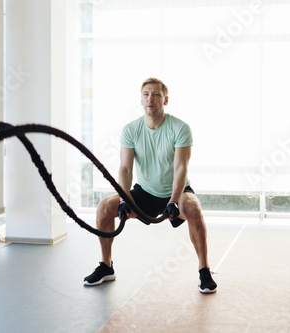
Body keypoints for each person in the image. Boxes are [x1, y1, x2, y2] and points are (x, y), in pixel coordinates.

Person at [83, 78, 217, 293]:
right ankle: (106, 266)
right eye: (146, 94)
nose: (150, 99)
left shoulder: (180, 128)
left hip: (175, 191)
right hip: (145, 192)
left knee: (193, 208)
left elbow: (180, 168)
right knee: (105, 207)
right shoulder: (131, 129)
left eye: (155, 94)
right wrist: (126, 199)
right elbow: (125, 169)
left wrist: (174, 201)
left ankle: (204, 270)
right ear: (141, 99)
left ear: (166, 100)